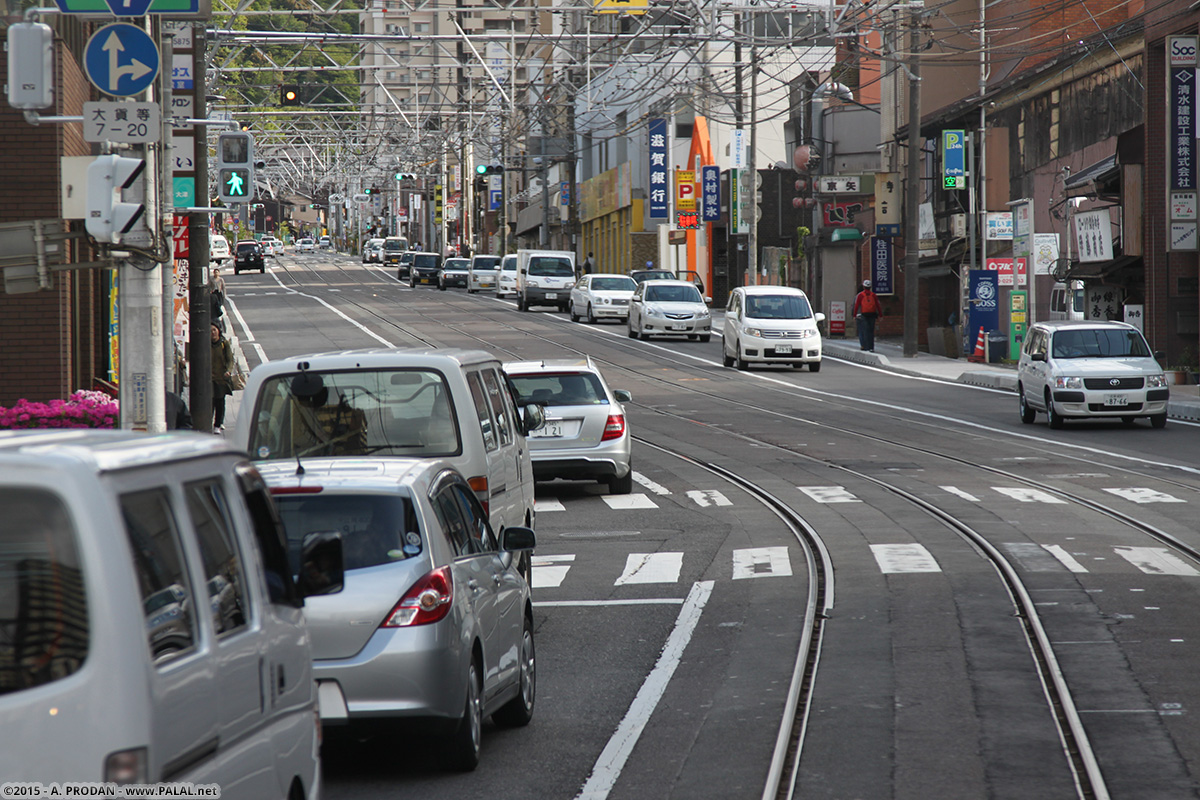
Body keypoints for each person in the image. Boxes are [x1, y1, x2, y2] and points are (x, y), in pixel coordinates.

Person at [211, 322, 236, 433]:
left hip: (221, 378)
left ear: (218, 331)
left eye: (214, 330)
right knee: (210, 401)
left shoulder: (223, 344)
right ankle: (209, 422)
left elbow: (230, 359)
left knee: (220, 401)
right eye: (210, 331)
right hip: (209, 378)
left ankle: (218, 424)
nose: (212, 333)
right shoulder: (205, 344)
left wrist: (228, 371)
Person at [852, 279, 881, 352]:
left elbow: (856, 306)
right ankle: (871, 347)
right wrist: (880, 315)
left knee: (865, 331)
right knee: (871, 331)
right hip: (872, 314)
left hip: (863, 315)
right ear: (870, 287)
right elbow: (878, 305)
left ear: (864, 287)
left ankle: (865, 346)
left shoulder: (860, 295)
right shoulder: (873, 295)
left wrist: (854, 315)